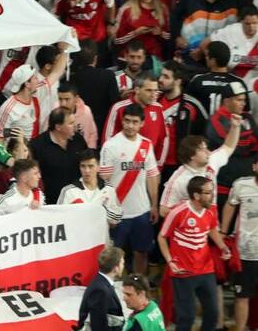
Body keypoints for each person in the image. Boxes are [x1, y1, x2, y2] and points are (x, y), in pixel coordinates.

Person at [158, 176, 232, 331]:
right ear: (196, 195)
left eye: (212, 191)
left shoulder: (210, 210)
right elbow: (162, 237)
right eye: (208, 193)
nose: (212, 196)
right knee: (187, 317)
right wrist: (170, 261)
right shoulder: (178, 212)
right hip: (183, 271)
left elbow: (211, 229)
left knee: (213, 312)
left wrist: (223, 246)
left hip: (206, 269)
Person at [100, 103, 160, 275]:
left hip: (141, 211)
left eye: (134, 122)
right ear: (122, 120)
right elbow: (103, 180)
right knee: (113, 256)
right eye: (127, 121)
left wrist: (154, 205)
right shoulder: (111, 145)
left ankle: (138, 282)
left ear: (142, 123)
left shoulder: (146, 145)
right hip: (117, 213)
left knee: (142, 252)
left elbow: (152, 176)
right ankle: (113, 285)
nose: (130, 126)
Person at [161, 123, 240, 217]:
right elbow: (163, 210)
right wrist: (194, 217)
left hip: (211, 221)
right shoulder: (178, 180)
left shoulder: (211, 161)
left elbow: (228, 146)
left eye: (207, 148)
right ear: (191, 156)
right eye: (202, 150)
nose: (208, 152)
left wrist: (235, 127)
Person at [220, 156, 258, 331]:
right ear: (254, 166)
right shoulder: (241, 185)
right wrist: (223, 231)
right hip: (245, 253)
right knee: (242, 296)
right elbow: (230, 205)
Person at [30, 107, 88, 203]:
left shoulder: (79, 141)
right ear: (58, 127)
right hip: (51, 203)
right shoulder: (37, 146)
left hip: (77, 201)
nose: (75, 126)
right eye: (70, 123)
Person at [58, 149, 123, 227]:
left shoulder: (108, 189)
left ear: (98, 167)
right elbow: (59, 219)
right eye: (83, 166)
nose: (87, 170)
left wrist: (102, 209)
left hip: (100, 234)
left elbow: (116, 219)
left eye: (91, 166)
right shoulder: (68, 191)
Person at [187, 41, 249, 116]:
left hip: (203, 123)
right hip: (230, 123)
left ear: (213, 61)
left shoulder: (198, 80)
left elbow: (188, 107)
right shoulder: (239, 82)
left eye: (207, 56)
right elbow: (245, 112)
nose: (206, 58)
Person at [75, 246, 125, 331]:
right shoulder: (100, 290)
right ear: (115, 268)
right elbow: (98, 326)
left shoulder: (102, 283)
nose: (123, 266)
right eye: (122, 263)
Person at [0, 64, 41, 140]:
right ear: (27, 84)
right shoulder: (8, 109)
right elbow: (0, 137)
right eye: (35, 78)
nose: (38, 80)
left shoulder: (34, 98)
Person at [58, 82, 99, 148]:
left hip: (83, 151)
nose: (63, 104)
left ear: (76, 98)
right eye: (60, 99)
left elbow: (92, 134)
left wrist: (90, 151)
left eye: (67, 99)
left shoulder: (86, 111)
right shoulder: (55, 112)